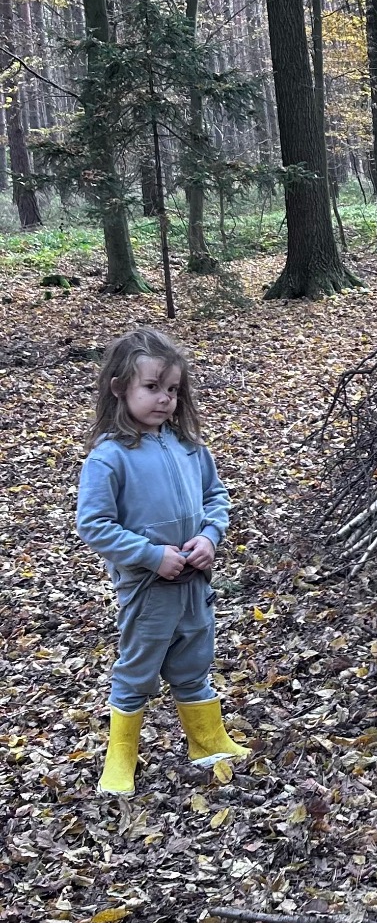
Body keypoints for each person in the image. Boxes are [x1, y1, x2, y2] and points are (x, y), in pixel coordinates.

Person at [76, 327, 247, 796]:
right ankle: (121, 756)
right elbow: (93, 524)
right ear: (120, 389)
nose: (165, 399)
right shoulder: (109, 457)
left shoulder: (190, 445)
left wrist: (211, 537)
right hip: (147, 590)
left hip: (195, 581)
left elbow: (216, 497)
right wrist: (151, 556)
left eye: (172, 389)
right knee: (138, 670)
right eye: (152, 387)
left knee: (194, 662)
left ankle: (207, 741)